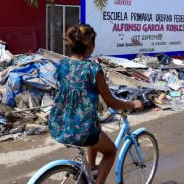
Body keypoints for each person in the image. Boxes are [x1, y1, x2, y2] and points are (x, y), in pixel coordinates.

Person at [49, 24, 143, 184]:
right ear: (90, 45)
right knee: (111, 152)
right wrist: (132, 104)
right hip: (82, 130)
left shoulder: (63, 65)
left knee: (95, 129)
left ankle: (91, 170)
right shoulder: (93, 69)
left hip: (59, 124)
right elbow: (111, 102)